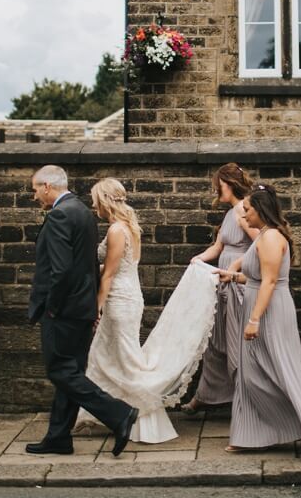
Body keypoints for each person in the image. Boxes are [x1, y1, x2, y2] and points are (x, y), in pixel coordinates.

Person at [77, 178, 219, 442]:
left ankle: (140, 418)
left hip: (119, 300)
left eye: (95, 198)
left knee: (126, 361)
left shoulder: (117, 231)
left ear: (105, 199)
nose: (93, 203)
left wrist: (95, 308)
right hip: (128, 296)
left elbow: (109, 275)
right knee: (104, 355)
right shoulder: (128, 227)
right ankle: (93, 414)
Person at [221, 185, 301, 454]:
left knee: (277, 370)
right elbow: (255, 278)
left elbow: (271, 282)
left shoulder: (273, 238)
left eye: (248, 210)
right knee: (253, 372)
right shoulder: (263, 235)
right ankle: (251, 434)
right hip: (259, 305)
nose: (244, 215)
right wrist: (232, 276)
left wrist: (254, 320)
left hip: (270, 311)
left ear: (261, 210)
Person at [26, 165, 137, 457]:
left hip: (64, 310)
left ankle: (118, 413)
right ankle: (59, 437)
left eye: (36, 188)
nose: (35, 195)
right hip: (82, 306)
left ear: (48, 186)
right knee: (70, 371)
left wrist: (52, 307)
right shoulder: (82, 211)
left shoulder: (62, 213)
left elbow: (60, 271)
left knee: (60, 371)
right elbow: (85, 263)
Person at [183, 163, 256, 413]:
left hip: (239, 284)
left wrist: (237, 267)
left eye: (219, 185)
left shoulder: (242, 212)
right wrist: (199, 258)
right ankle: (206, 395)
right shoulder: (229, 214)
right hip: (223, 283)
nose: (216, 190)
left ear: (229, 184)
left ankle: (245, 399)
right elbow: (218, 247)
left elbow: (261, 244)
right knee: (215, 342)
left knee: (234, 342)